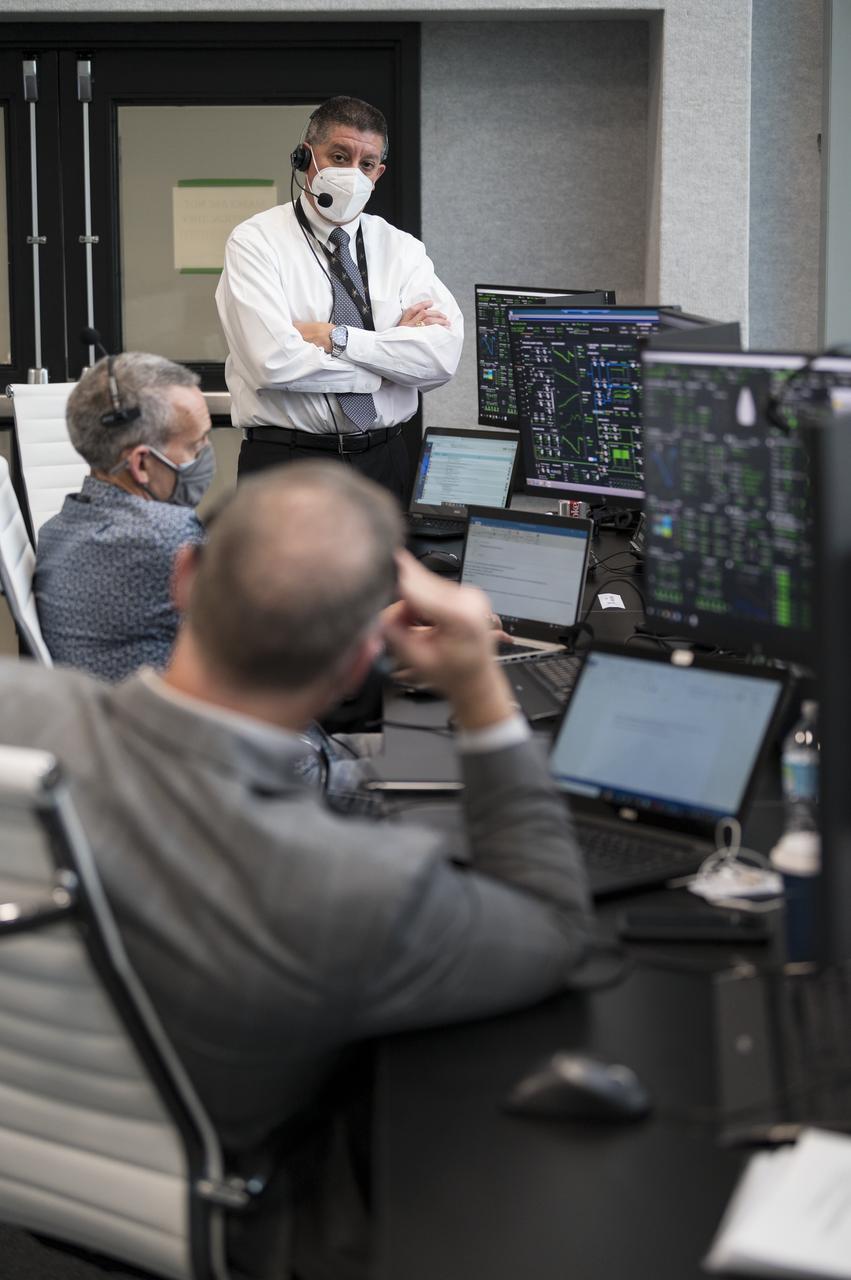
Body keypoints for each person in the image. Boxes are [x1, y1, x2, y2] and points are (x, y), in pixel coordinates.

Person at [2, 462, 591, 1280]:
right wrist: (479, 690)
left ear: (185, 578)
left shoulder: (18, 708)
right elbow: (553, 924)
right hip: (252, 1205)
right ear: (360, 666)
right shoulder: (356, 884)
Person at [215, 95, 464, 501]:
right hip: (288, 461)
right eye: (339, 156)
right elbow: (272, 364)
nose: (352, 173)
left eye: (366, 164)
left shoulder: (402, 248)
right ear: (304, 157)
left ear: (378, 174)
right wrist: (387, 369)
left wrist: (337, 338)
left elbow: (440, 359)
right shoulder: (256, 242)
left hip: (385, 460)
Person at [35, 352, 213, 682]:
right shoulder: (166, 536)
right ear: (141, 463)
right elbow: (250, 638)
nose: (204, 455)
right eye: (195, 446)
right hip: (166, 713)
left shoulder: (56, 528)